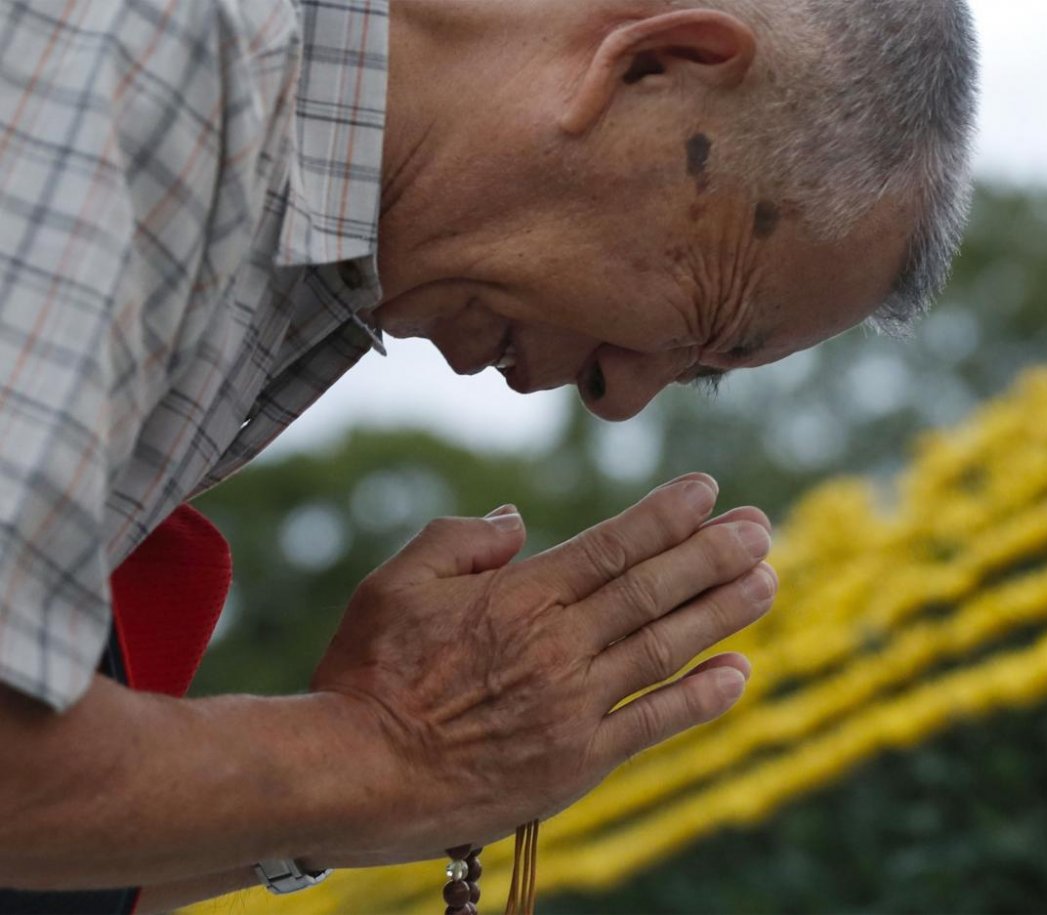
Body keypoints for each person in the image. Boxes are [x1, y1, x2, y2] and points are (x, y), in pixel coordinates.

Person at [0, 0, 978, 910]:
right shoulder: (168, 46)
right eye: (703, 323)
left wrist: (365, 777)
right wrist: (392, 754)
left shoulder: (313, 246)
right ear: (652, 68)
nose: (620, 397)